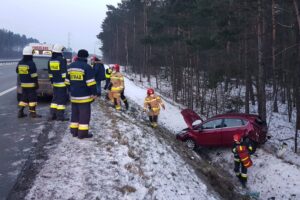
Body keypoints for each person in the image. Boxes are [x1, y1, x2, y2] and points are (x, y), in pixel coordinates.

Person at [65, 49, 97, 139]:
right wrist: (94, 93)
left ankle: (74, 132)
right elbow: (91, 82)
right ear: (86, 57)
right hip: (84, 97)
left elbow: (67, 82)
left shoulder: (70, 66)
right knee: (84, 116)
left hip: (74, 96)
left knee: (74, 114)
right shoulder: (86, 67)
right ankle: (82, 134)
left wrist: (71, 90)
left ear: (78, 56)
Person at [16, 46, 41, 118]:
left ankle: (20, 112)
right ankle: (33, 113)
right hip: (31, 85)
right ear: (30, 54)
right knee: (32, 99)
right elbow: (34, 75)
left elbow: (17, 71)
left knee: (24, 99)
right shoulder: (31, 63)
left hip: (23, 85)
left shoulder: (20, 62)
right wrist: (36, 84)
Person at [48, 44, 68, 121]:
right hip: (62, 84)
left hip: (55, 83)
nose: (63, 52)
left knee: (55, 100)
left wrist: (52, 81)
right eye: (62, 51)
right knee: (61, 100)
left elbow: (50, 73)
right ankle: (60, 116)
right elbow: (64, 73)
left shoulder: (51, 60)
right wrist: (66, 82)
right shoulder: (62, 60)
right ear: (60, 51)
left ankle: (52, 115)